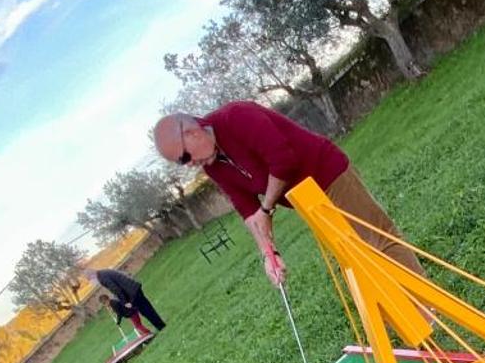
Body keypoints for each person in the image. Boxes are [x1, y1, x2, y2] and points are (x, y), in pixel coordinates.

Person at [151, 103, 422, 285]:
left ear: (192, 132)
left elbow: (283, 161)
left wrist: (267, 208)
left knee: (377, 238)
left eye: (184, 157)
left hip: (328, 175)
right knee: (352, 255)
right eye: (181, 163)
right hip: (305, 200)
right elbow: (247, 209)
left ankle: (426, 309)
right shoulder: (212, 165)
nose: (189, 165)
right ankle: (400, 316)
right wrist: (269, 253)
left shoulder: (237, 117)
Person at [89, 266, 164, 337]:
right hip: (133, 289)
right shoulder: (103, 273)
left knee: (146, 310)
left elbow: (115, 289)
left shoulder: (102, 277)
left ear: (93, 276)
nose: (92, 283)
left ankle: (160, 326)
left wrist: (125, 302)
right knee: (147, 308)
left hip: (132, 292)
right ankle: (160, 325)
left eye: (90, 280)